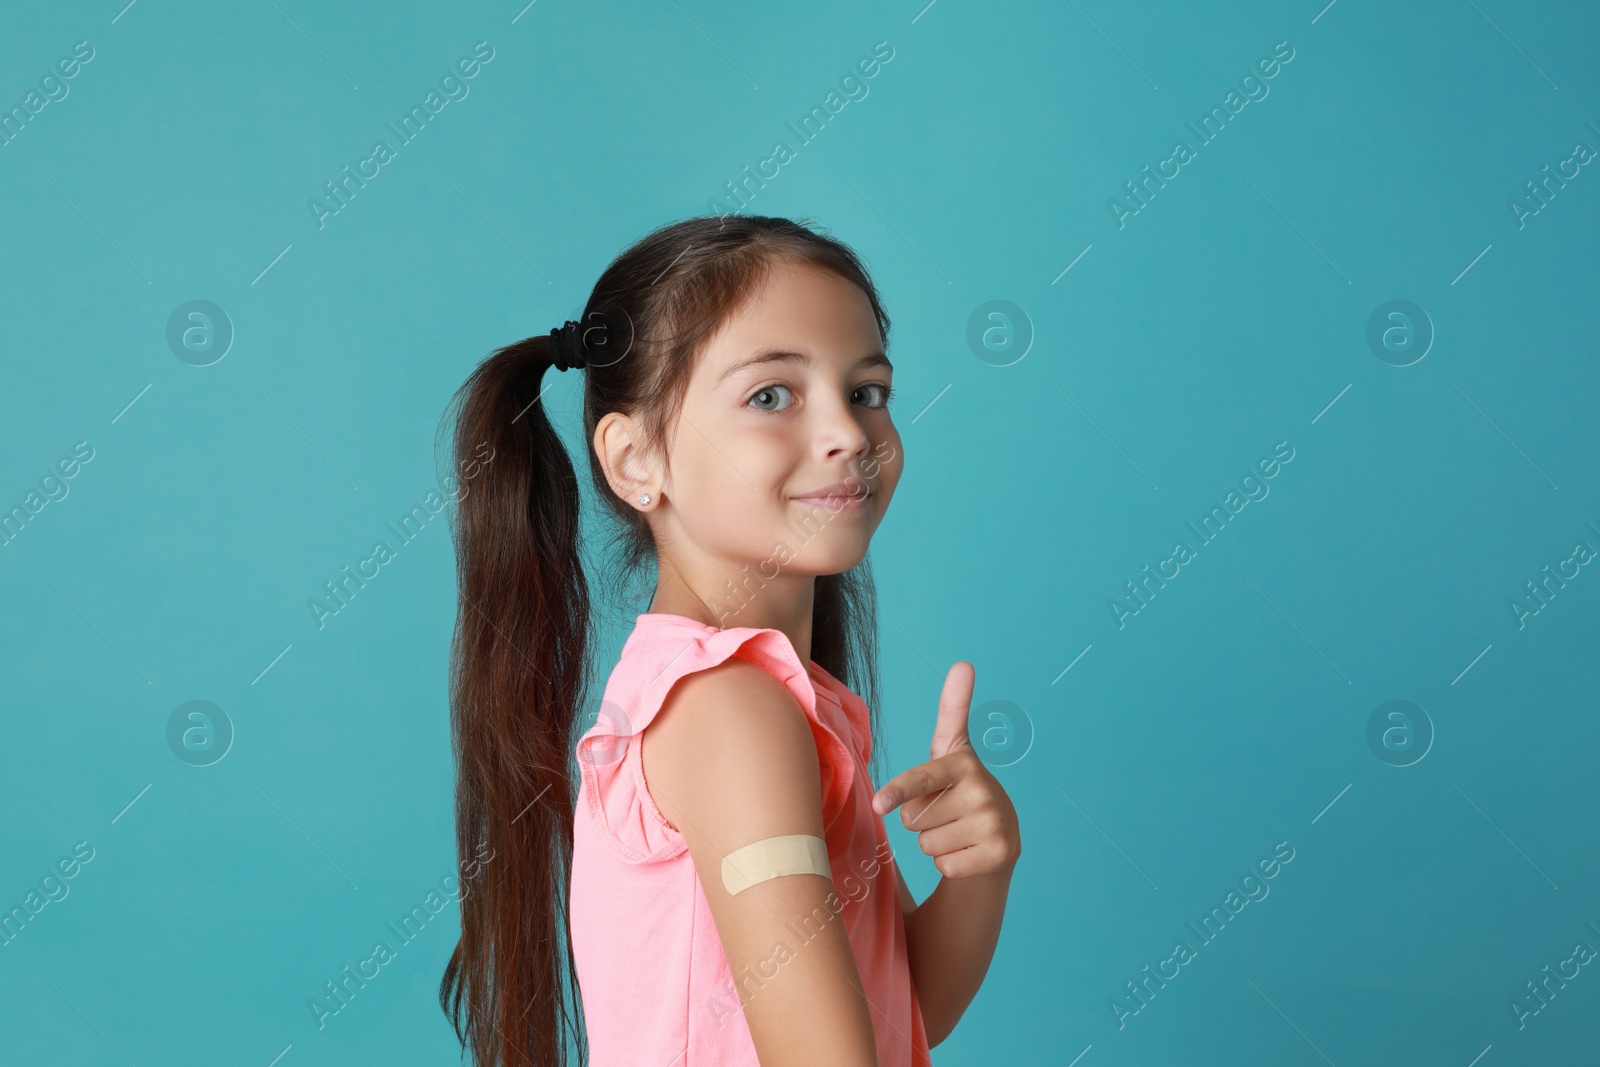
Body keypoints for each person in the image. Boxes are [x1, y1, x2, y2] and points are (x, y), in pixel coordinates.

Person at [437, 214, 1021, 1066]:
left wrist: (977, 875)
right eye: (771, 395)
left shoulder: (774, 698)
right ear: (637, 459)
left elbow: (906, 1009)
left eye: (867, 392)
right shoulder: (729, 710)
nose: (850, 434)